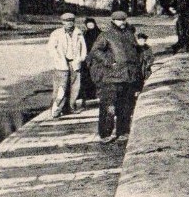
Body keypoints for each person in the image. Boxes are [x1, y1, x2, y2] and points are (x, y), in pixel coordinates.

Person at [87, 11, 142, 143]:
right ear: (113, 21)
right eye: (118, 20)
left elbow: (136, 52)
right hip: (112, 77)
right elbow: (95, 51)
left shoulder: (130, 34)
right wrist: (109, 62)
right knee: (108, 106)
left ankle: (123, 131)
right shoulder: (106, 35)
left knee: (126, 106)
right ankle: (105, 133)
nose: (121, 22)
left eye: (123, 20)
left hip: (128, 76)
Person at [48, 12, 88, 118]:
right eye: (66, 21)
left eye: (71, 21)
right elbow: (51, 48)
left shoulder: (78, 33)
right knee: (61, 87)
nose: (69, 23)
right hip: (61, 64)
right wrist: (58, 59)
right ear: (62, 22)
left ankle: (71, 107)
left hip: (74, 62)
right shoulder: (56, 33)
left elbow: (83, 47)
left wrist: (81, 58)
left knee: (75, 86)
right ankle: (56, 109)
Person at [80, 17, 102, 105]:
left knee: (98, 76)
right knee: (87, 76)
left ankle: (98, 94)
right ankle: (89, 95)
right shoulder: (84, 34)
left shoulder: (100, 34)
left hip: (98, 58)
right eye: (88, 24)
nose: (90, 25)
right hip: (87, 58)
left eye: (91, 23)